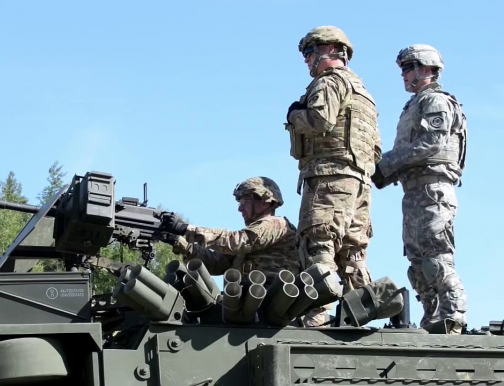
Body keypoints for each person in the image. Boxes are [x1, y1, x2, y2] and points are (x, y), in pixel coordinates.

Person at [285, 26, 382, 327]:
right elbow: (376, 149)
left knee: (318, 244)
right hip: (359, 182)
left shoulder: (329, 82)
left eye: (309, 53)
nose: (307, 61)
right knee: (353, 254)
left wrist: (293, 116)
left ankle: (316, 317)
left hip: (328, 177)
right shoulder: (363, 92)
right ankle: (359, 319)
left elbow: (318, 120)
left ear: (330, 51)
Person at [372, 44, 467, 334]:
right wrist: (379, 174)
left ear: (425, 69)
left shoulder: (435, 101)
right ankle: (433, 319)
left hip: (433, 190)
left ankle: (453, 317)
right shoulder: (415, 104)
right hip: (414, 192)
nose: (402, 75)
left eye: (407, 68)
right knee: (417, 264)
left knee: (435, 258)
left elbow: (432, 144)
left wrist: (384, 166)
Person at [159, 177, 300, 283]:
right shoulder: (252, 237)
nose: (239, 208)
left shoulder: (277, 224)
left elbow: (239, 241)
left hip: (271, 305)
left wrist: (186, 229)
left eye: (244, 201)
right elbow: (217, 263)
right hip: (247, 307)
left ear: (264, 202)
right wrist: (182, 244)